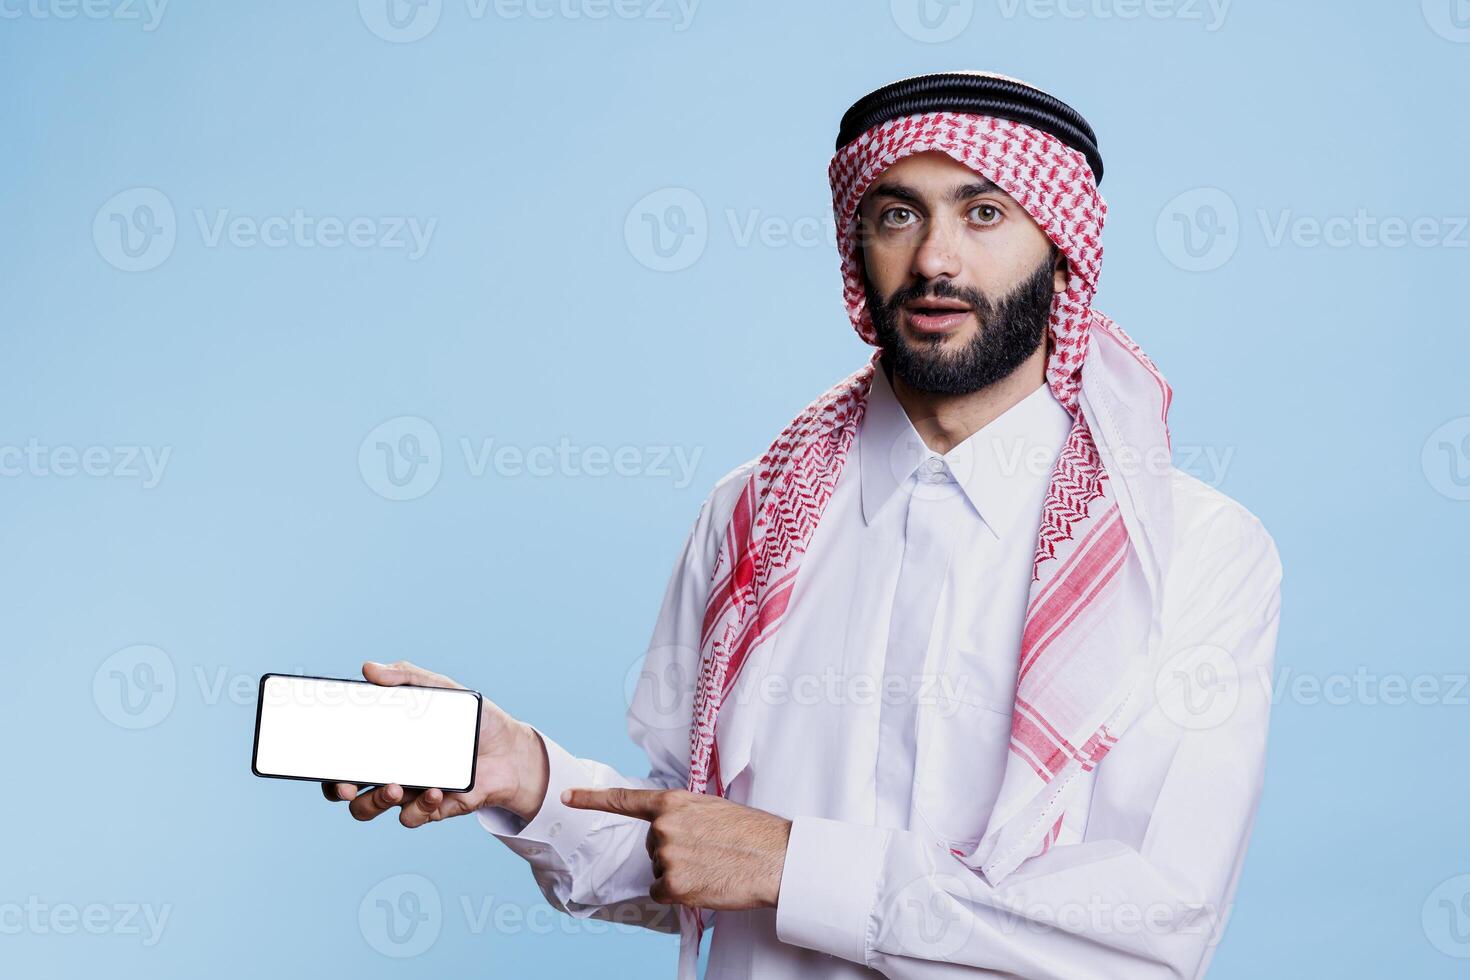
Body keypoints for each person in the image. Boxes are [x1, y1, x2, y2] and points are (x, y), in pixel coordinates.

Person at [323, 71, 1284, 979]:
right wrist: (523, 774)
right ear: (855, 246)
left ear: (1062, 249)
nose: (937, 259)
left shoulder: (1189, 552)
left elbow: (1146, 936)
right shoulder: (751, 513)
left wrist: (793, 865)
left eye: (984, 213)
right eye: (897, 215)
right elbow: (694, 853)